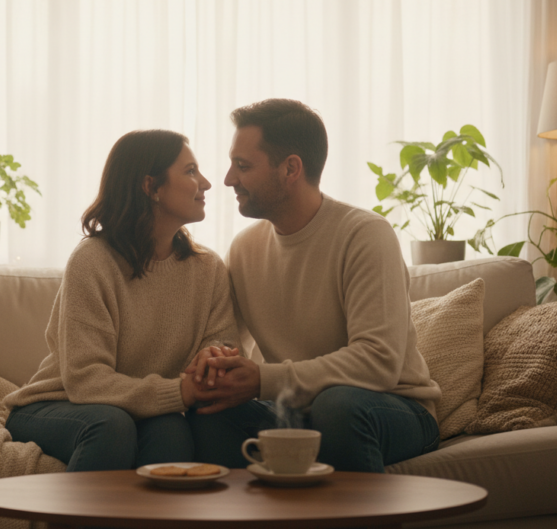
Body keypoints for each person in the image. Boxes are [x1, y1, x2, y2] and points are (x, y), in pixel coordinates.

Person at [185, 99, 442, 473]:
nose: (228, 179)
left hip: (390, 407)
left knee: (336, 407)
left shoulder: (364, 235)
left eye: (243, 166)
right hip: (293, 409)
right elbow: (229, 340)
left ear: (290, 168)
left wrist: (263, 379)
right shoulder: (245, 247)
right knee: (208, 413)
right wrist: (217, 363)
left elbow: (378, 363)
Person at [3, 129, 239, 471]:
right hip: (55, 404)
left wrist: (213, 356)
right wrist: (180, 392)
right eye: (190, 171)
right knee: (110, 426)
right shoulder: (93, 260)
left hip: (134, 408)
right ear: (151, 187)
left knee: (172, 432)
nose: (206, 183)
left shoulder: (208, 268)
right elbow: (85, 380)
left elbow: (226, 341)